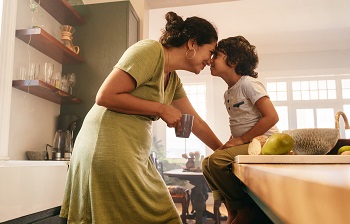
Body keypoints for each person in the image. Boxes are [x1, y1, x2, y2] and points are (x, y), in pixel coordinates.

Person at [60, 11, 223, 224]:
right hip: (107, 146)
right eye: (210, 52)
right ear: (192, 44)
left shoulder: (172, 79)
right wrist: (161, 109)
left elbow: (196, 122)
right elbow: (105, 96)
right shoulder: (149, 51)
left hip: (133, 153)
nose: (210, 62)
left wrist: (223, 151)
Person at [202, 36, 279, 224]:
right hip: (246, 141)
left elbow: (272, 117)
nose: (211, 60)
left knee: (218, 161)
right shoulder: (228, 93)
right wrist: (233, 139)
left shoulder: (248, 83)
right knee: (207, 163)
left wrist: (240, 139)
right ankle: (232, 211)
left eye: (217, 55)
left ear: (234, 61)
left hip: (263, 142)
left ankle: (246, 210)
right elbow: (239, 121)